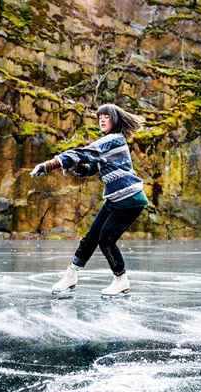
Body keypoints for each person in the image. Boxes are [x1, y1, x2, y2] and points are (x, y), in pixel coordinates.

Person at [30, 103, 149, 296]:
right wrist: (77, 168)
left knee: (106, 239)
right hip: (115, 199)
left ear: (115, 120)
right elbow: (91, 166)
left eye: (106, 116)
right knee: (91, 238)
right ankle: (71, 275)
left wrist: (50, 164)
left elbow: (84, 153)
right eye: (100, 116)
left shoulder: (114, 140)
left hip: (129, 198)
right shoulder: (109, 143)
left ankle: (121, 280)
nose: (102, 119)